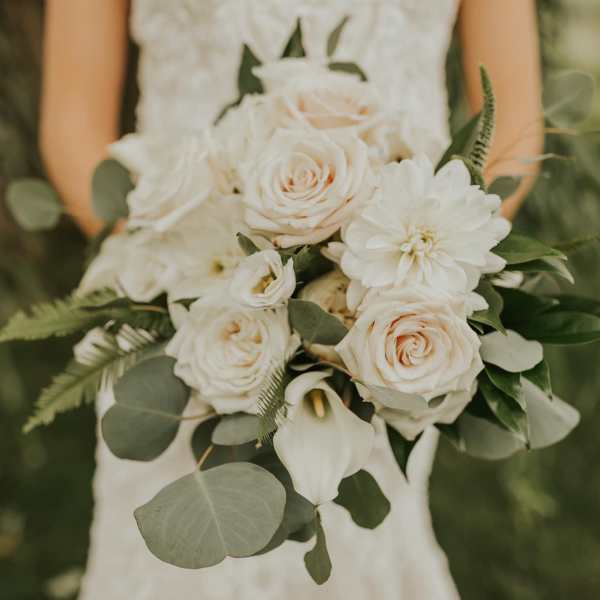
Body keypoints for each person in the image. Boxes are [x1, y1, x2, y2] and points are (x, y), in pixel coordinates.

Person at [39, 2, 543, 599]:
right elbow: (71, 126)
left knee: (357, 532)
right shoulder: (173, 291)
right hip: (171, 311)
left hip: (381, 318)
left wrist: (418, 274)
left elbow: (514, 130)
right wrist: (184, 274)